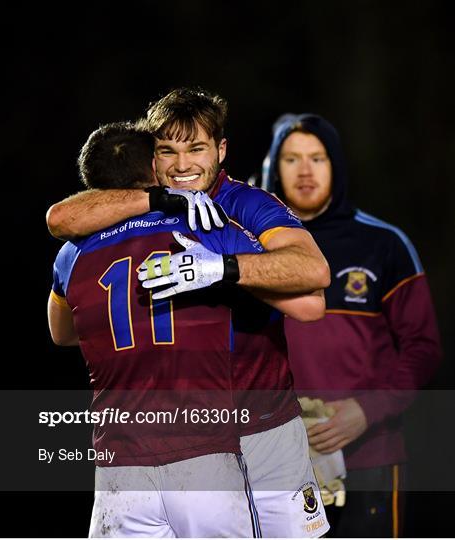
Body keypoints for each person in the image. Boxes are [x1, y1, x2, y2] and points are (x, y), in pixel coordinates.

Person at [46, 88, 331, 538]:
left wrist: (223, 269)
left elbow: (313, 286)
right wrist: (160, 202)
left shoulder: (245, 206)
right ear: (149, 158)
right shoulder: (146, 207)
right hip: (185, 438)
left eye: (196, 148)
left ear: (221, 150)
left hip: (262, 426)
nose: (182, 165)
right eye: (167, 150)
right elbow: (60, 217)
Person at [261, 113, 442, 537]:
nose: (305, 171)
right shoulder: (248, 248)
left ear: (336, 166)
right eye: (291, 159)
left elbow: (423, 347)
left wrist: (367, 410)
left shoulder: (383, 244)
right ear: (273, 166)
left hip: (369, 460)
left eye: (318, 158)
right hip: (274, 462)